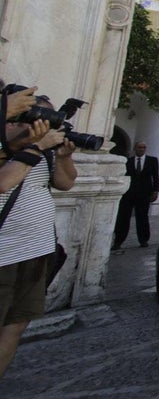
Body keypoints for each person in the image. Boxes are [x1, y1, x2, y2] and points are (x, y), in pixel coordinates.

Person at [0, 97, 76, 378]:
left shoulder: (43, 153)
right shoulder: (9, 147)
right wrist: (36, 146)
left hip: (35, 250)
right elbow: (3, 182)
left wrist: (64, 156)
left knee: (16, 325)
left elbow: (66, 183)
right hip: (4, 252)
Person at [113, 142, 159, 250]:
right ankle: (118, 241)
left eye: (143, 147)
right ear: (135, 149)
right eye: (139, 147)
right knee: (123, 218)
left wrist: (155, 191)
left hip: (144, 194)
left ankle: (143, 240)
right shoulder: (128, 161)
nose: (141, 149)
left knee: (142, 217)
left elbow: (155, 176)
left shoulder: (152, 160)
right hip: (128, 193)